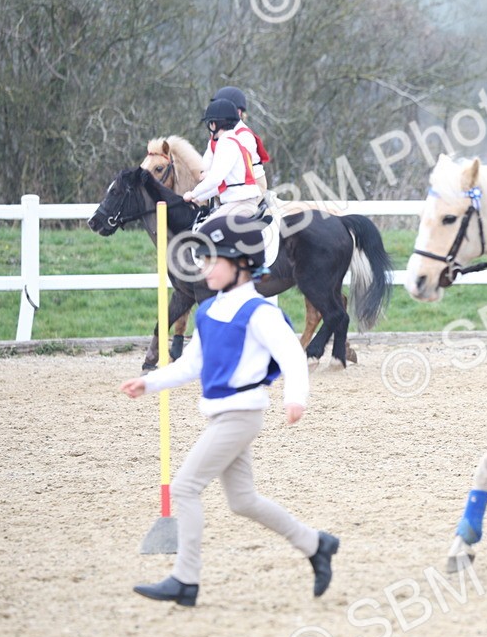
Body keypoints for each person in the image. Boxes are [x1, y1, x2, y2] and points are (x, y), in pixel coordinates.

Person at [120, 214, 339, 606]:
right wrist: (149, 383)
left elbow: (292, 355)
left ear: (241, 264)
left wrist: (296, 397)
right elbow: (191, 365)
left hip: (242, 416)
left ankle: (186, 580)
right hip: (222, 415)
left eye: (213, 259)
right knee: (243, 501)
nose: (203, 267)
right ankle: (315, 544)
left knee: (185, 488)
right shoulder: (208, 311)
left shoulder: (259, 312)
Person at [185, 98, 262, 219]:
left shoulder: (226, 143)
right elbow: (221, 185)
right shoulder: (236, 140)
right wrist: (198, 198)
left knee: (202, 232)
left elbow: (215, 179)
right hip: (243, 203)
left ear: (214, 124)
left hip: (239, 204)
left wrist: (192, 193)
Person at [205, 86, 272, 194]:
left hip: (252, 187)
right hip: (228, 185)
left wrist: (209, 175)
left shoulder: (244, 136)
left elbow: (229, 168)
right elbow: (206, 162)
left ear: (238, 112)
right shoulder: (217, 134)